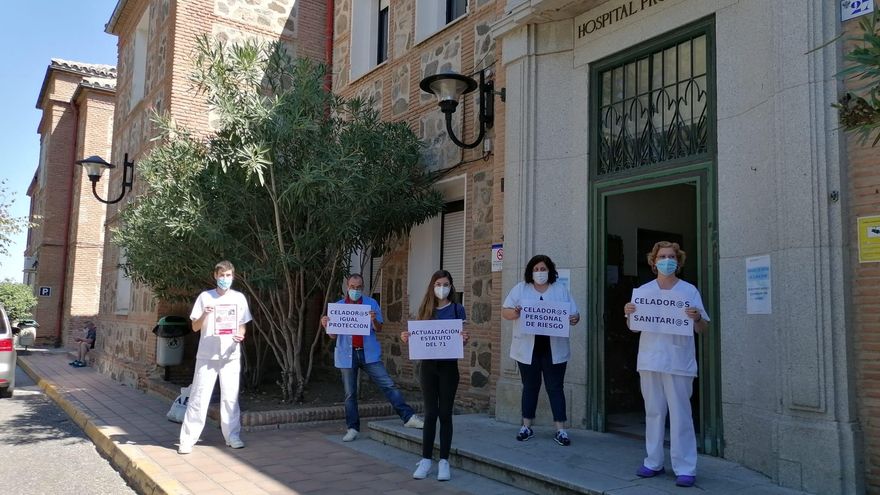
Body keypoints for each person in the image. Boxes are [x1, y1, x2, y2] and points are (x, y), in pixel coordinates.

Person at [624, 241, 709, 488]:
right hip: (650, 360)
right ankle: (653, 462)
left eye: (671, 256)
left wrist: (697, 318)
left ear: (678, 261)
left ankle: (685, 467)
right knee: (653, 412)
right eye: (662, 256)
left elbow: (703, 328)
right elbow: (633, 326)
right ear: (654, 261)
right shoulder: (643, 291)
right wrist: (629, 312)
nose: (667, 260)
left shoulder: (689, 291)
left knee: (681, 415)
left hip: (679, 362)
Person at [321, 273, 423, 443]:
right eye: (353, 287)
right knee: (350, 394)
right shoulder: (338, 307)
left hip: (368, 352)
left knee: (388, 384)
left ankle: (408, 417)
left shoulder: (371, 303)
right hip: (347, 353)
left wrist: (374, 320)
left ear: (363, 288)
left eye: (359, 287)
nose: (355, 290)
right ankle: (352, 428)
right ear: (347, 287)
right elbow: (332, 335)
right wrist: (326, 324)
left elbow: (380, 328)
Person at [502, 254, 581, 446]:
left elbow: (575, 314)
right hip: (528, 348)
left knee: (555, 388)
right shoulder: (521, 289)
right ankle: (526, 426)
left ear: (550, 270)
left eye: (543, 269)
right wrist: (516, 313)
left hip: (554, 348)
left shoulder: (560, 289)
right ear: (530, 272)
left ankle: (560, 430)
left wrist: (574, 318)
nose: (539, 273)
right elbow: (505, 311)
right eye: (536, 269)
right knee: (530, 386)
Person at [400, 270, 469, 481]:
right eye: (438, 283)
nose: (442, 288)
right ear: (432, 286)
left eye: (446, 284)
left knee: (445, 414)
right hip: (428, 368)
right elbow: (417, 336)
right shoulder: (425, 309)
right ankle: (426, 459)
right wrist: (406, 337)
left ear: (451, 286)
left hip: (449, 368)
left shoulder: (458, 309)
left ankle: (444, 462)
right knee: (430, 414)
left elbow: (462, 339)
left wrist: (464, 338)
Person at [178, 260, 252, 455]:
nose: (225, 279)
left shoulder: (239, 298)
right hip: (207, 355)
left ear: (233, 277)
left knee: (230, 398)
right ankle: (187, 439)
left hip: (230, 355)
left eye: (228, 276)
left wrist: (241, 334)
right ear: (215, 276)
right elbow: (194, 327)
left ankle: (233, 436)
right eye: (222, 275)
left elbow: (243, 324)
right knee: (199, 397)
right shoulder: (205, 297)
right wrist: (205, 314)